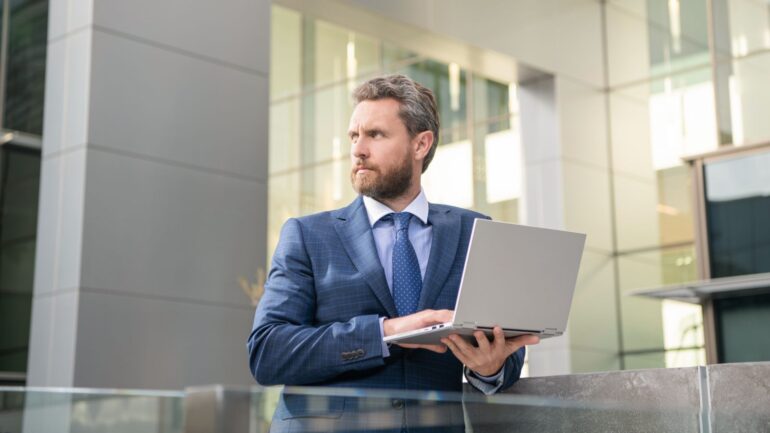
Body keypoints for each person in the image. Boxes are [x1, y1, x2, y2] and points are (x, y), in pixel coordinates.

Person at [247, 74, 539, 431]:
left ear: (421, 144)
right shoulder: (307, 236)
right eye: (354, 136)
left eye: (376, 134)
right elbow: (268, 352)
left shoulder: (474, 232)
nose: (358, 149)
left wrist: (490, 367)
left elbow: (506, 350)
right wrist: (387, 332)